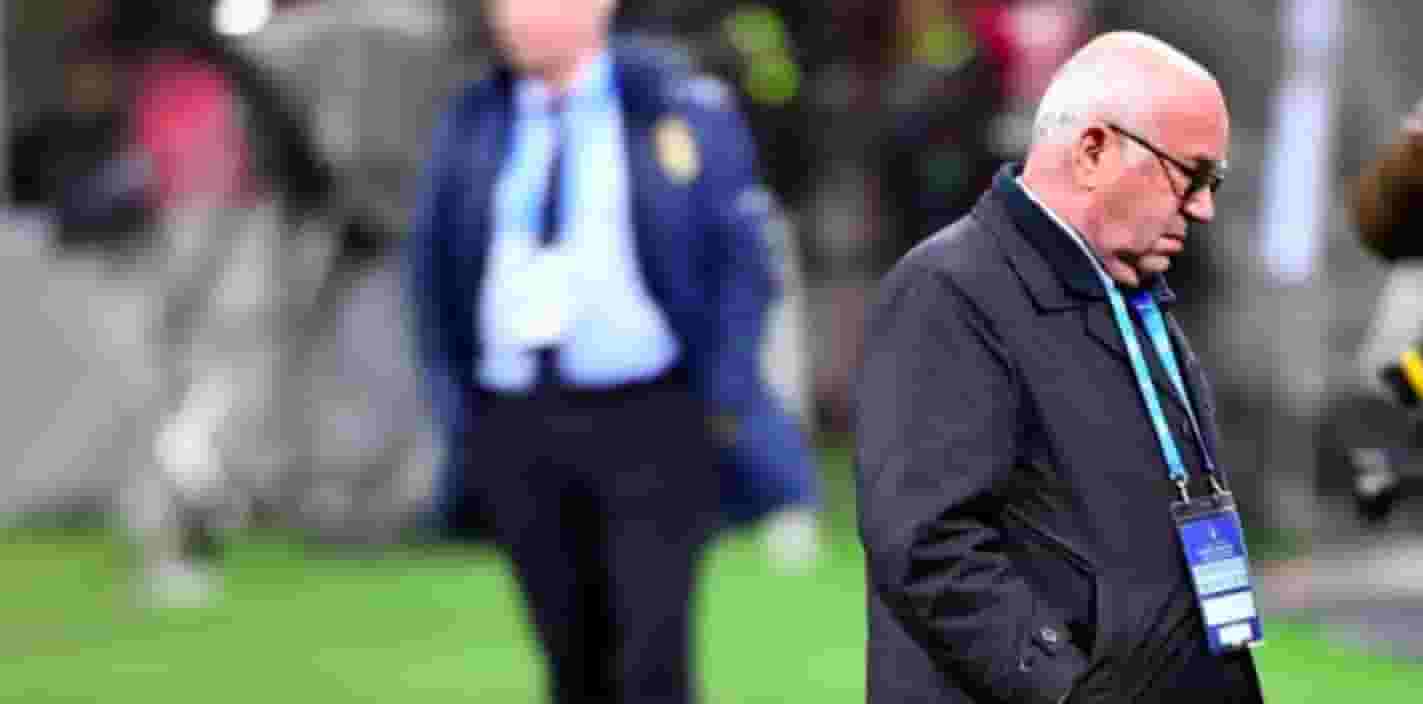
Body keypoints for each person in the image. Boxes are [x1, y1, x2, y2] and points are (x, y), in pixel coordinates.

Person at [404, 0, 815, 700]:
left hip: (652, 414)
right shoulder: (475, 118)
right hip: (516, 417)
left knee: (652, 659)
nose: (514, 19)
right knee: (570, 659)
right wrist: (457, 406)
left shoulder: (674, 106)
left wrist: (722, 392)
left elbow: (740, 262)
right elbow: (433, 268)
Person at [855, 31, 1264, 703]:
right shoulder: (945, 290)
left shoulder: (1133, 292)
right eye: (1190, 176)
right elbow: (930, 546)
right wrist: (1066, 691)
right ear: (1093, 150)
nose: (1202, 207)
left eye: (1211, 182)